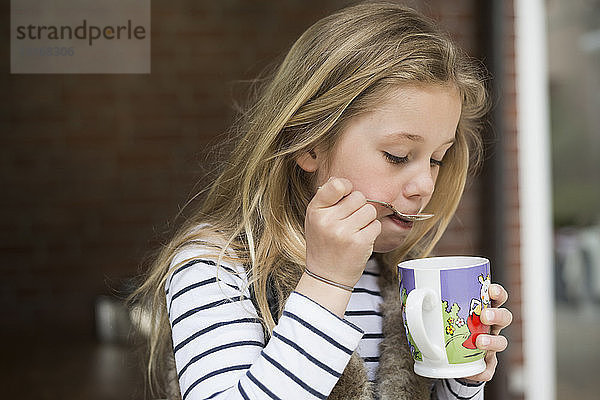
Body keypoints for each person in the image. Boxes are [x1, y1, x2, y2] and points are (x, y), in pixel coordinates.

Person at [130, 2, 513, 399]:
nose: (424, 185)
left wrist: (461, 379)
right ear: (310, 142)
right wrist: (326, 283)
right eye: (397, 155)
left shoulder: (394, 279)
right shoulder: (215, 266)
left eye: (436, 159)